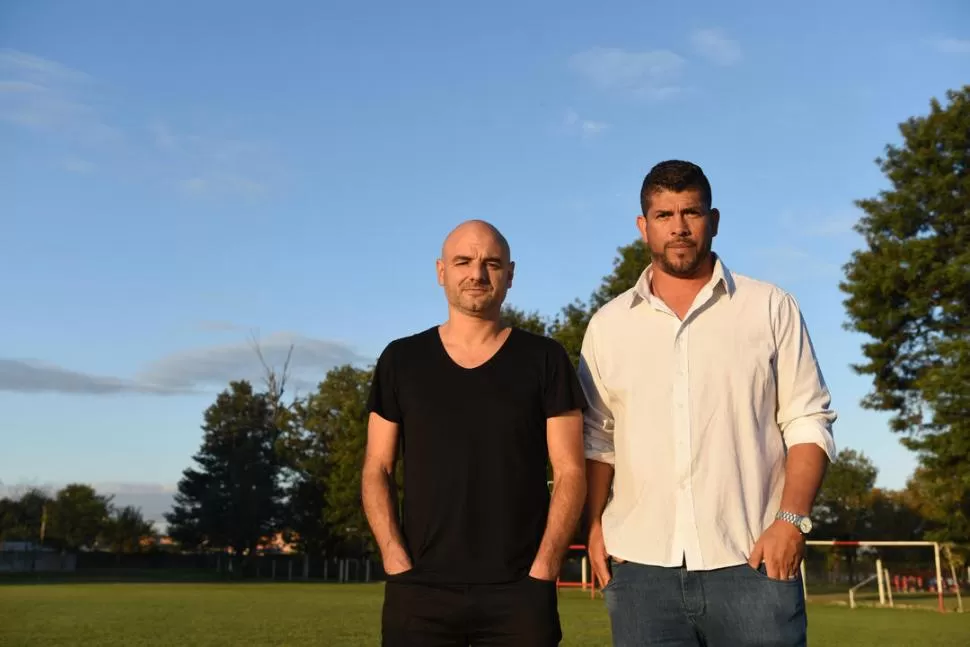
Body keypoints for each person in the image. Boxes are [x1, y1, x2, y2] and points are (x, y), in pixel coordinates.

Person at [580, 160, 837, 646]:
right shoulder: (608, 325)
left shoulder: (769, 307)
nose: (678, 227)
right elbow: (598, 438)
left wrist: (791, 522)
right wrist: (593, 525)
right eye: (663, 215)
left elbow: (809, 420)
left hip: (753, 562)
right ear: (643, 226)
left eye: (691, 212)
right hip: (639, 571)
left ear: (713, 220)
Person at [361, 219, 588, 646]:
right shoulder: (401, 360)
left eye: (491, 263)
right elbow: (377, 467)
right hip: (420, 592)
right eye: (462, 261)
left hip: (520, 593)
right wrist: (394, 558)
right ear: (441, 271)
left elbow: (571, 471)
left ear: (511, 274)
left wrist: (544, 568)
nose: (477, 274)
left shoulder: (545, 359)